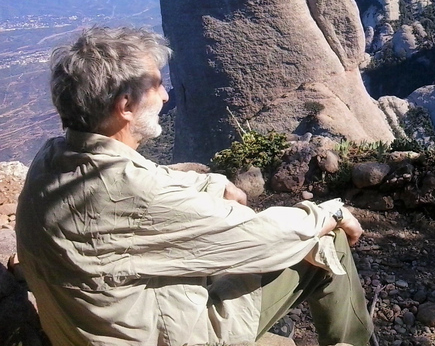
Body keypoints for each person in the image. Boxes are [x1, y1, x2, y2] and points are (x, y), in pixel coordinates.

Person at [15, 26, 375, 346]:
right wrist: (331, 212)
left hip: (99, 328)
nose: (166, 96)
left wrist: (213, 183)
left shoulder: (51, 160)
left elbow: (152, 180)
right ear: (125, 105)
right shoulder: (133, 193)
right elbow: (266, 240)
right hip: (168, 336)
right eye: (156, 85)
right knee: (326, 241)